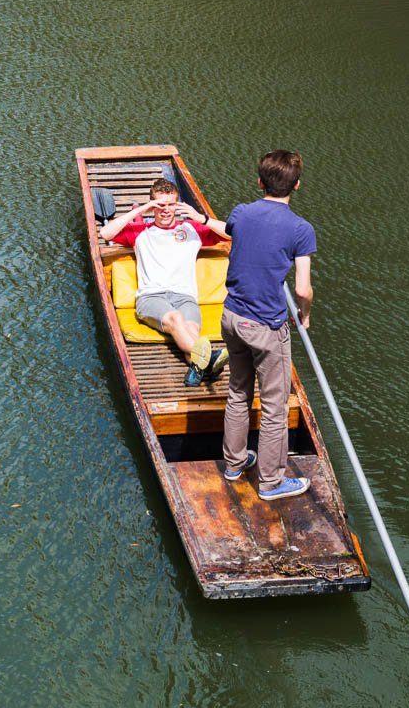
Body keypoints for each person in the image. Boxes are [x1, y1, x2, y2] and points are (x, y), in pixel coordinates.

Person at [220, 150, 317, 502]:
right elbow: (303, 289)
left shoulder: (241, 213)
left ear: (260, 181)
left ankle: (233, 464)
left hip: (231, 318)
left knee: (238, 392)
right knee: (275, 406)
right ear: (297, 185)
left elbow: (233, 233)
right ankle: (272, 483)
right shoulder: (301, 229)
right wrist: (304, 314)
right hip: (266, 326)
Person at [100, 177, 229, 387]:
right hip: (151, 298)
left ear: (177, 205)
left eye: (171, 204)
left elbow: (233, 232)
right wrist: (141, 210)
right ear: (153, 206)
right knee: (177, 320)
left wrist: (201, 218)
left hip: (185, 296)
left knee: (192, 331)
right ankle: (210, 361)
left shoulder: (191, 229)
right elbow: (106, 233)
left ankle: (199, 367)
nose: (166, 210)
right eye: (160, 205)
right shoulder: (140, 232)